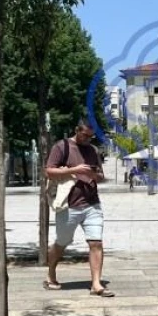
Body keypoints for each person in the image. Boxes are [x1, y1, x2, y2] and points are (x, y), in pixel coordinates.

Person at [44, 117, 113, 296]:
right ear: (77, 130)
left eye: (91, 137)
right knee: (62, 243)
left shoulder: (92, 150)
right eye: (85, 135)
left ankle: (96, 284)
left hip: (92, 203)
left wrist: (94, 174)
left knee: (96, 242)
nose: (87, 140)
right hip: (69, 205)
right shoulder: (62, 147)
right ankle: (51, 274)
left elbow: (101, 176)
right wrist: (74, 170)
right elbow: (49, 171)